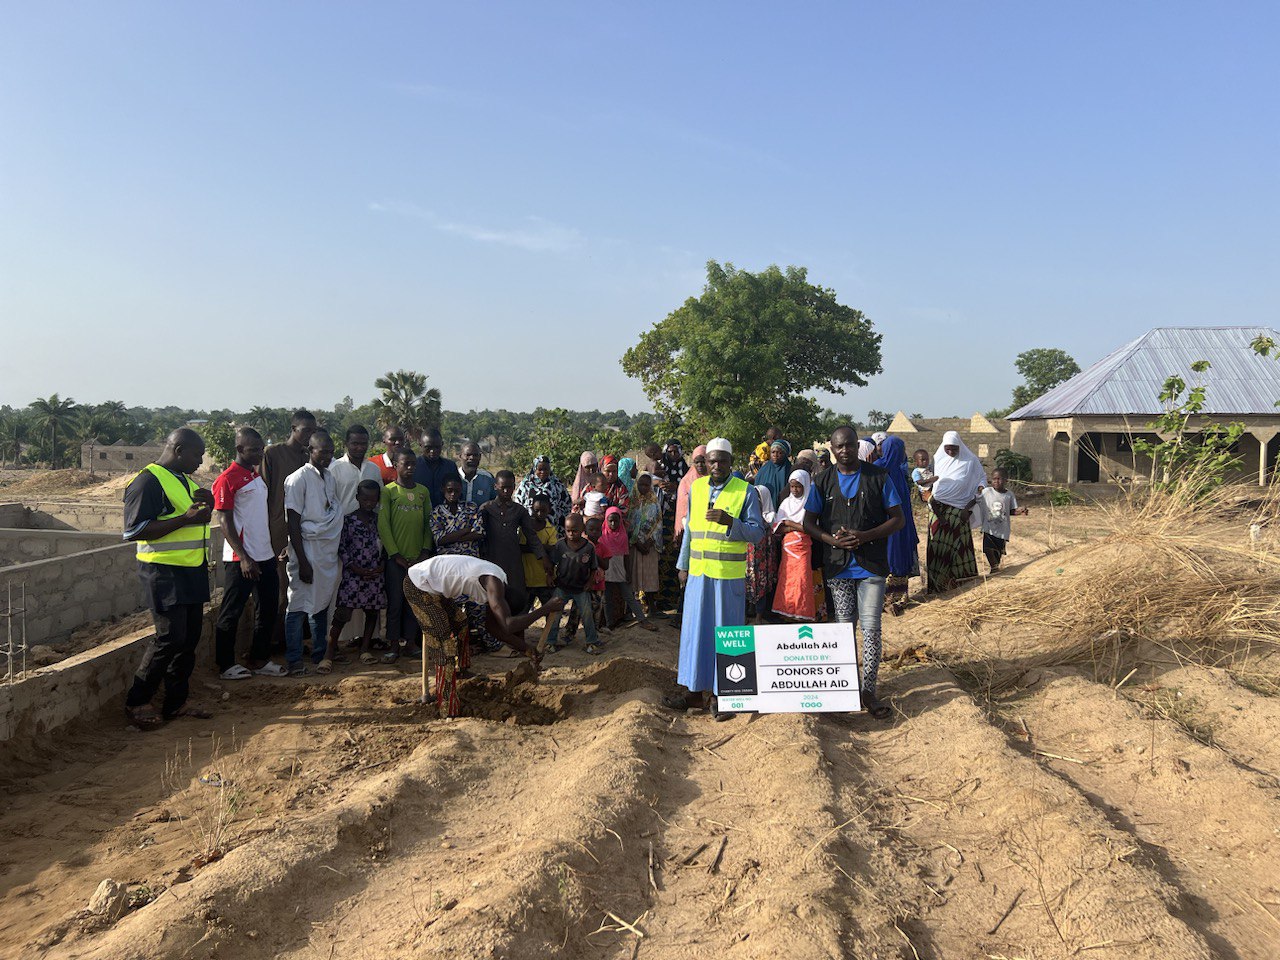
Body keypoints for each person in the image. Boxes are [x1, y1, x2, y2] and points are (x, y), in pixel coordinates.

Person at [802, 426, 906, 720]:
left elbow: (897, 519)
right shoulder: (822, 481)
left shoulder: (878, 477)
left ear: (855, 446)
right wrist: (831, 540)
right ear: (832, 450)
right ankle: (844, 689)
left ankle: (868, 690)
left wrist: (866, 535)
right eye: (839, 447)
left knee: (871, 629)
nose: (844, 450)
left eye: (849, 445)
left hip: (871, 566)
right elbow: (809, 522)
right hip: (837, 567)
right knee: (843, 629)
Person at [665, 438, 767, 718]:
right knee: (695, 634)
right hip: (698, 576)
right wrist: (682, 565)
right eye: (712, 461)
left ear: (731, 462)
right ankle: (693, 693)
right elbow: (691, 530)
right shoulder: (696, 488)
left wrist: (731, 523)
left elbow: (758, 532)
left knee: (728, 636)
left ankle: (725, 697)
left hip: (728, 578)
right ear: (705, 462)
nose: (717, 465)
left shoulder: (744, 491)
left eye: (722, 460)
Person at [122, 428, 214, 728]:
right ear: (178, 450)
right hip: (163, 571)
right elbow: (134, 530)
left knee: (188, 639)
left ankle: (176, 702)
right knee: (169, 638)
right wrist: (185, 519)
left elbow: (193, 519)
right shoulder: (147, 481)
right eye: (197, 455)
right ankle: (137, 701)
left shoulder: (185, 480)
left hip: (191, 569)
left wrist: (205, 509)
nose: (200, 462)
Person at [404, 556, 564, 718]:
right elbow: (508, 625)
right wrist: (546, 608)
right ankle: (447, 706)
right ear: (503, 605)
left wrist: (527, 649)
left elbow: (493, 628)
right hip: (419, 585)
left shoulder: (499, 582)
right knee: (445, 646)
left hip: (435, 586)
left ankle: (461, 671)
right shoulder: (494, 584)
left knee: (460, 623)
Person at [212, 427, 287, 680]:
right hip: (241, 560)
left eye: (260, 449)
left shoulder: (255, 477)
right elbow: (224, 520)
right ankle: (225, 665)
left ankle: (259, 658)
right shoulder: (228, 478)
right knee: (231, 612)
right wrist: (243, 556)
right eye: (253, 450)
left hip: (265, 556)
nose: (258, 454)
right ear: (239, 449)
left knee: (268, 608)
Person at [283, 429, 344, 676]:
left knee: (320, 604)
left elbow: (333, 510)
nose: (328, 456)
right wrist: (304, 561)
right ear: (310, 451)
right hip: (306, 550)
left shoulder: (329, 477)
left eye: (331, 452)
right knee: (297, 605)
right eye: (323, 452)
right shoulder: (297, 479)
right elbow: (293, 522)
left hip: (326, 552)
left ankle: (319, 654)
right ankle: (295, 659)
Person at [261, 410, 316, 645]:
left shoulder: (309, 458)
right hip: (277, 532)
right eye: (306, 431)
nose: (310, 436)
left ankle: (296, 641)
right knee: (281, 591)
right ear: (294, 429)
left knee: (302, 589)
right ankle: (273, 644)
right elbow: (264, 493)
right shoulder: (273, 454)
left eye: (313, 431)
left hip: (304, 532)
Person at [378, 449, 432, 662]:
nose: (409, 468)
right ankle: (393, 645)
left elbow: (429, 523)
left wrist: (425, 551)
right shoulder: (389, 491)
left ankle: (411, 643)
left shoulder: (423, 492)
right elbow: (383, 525)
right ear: (396, 465)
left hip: (418, 559)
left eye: (412, 464)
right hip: (396, 560)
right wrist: (395, 554)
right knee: (395, 603)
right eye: (405, 464)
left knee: (414, 602)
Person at [327, 480, 386, 668]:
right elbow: (342, 547)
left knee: (372, 612)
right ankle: (330, 650)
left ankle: (365, 649)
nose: (369, 503)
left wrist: (381, 565)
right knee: (343, 612)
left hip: (375, 574)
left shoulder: (380, 520)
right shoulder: (348, 520)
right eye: (365, 499)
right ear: (357, 498)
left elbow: (386, 544)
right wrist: (354, 568)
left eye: (373, 499)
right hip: (354, 575)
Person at [430, 477, 492, 652]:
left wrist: (451, 536)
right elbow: (439, 539)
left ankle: (480, 641)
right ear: (443, 489)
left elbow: (479, 533)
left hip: (470, 565)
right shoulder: (437, 511)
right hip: (448, 568)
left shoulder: (471, 507)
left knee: (477, 603)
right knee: (451, 605)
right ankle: (453, 645)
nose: (452, 494)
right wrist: (466, 530)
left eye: (456, 491)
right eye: (449, 490)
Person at [920, 431, 987, 593]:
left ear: (960, 446)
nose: (950, 452)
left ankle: (963, 582)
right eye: (947, 448)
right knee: (938, 545)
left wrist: (979, 490)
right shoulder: (937, 460)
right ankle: (938, 585)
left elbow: (981, 478)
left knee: (960, 545)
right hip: (937, 508)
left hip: (961, 509)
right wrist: (926, 493)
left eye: (954, 448)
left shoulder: (970, 460)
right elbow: (923, 481)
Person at [481, 469, 552, 615]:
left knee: (515, 597)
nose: (506, 491)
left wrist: (543, 556)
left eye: (510, 487)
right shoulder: (487, 509)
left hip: (513, 561)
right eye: (503, 487)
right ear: (496, 487)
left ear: (514, 487)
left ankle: (516, 630)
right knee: (491, 597)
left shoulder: (519, 511)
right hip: (492, 559)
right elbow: (479, 536)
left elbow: (531, 536)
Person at [873, 436, 921, 615]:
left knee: (899, 554)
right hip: (885, 522)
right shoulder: (877, 469)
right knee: (888, 555)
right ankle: (885, 600)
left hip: (901, 523)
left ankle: (898, 599)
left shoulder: (900, 471)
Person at [544, 513, 599, 652]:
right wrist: (549, 576)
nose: (571, 534)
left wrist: (590, 582)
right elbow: (551, 563)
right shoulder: (560, 545)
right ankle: (551, 642)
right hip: (562, 586)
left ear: (582, 529)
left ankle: (591, 642)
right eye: (568, 530)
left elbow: (593, 568)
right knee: (554, 615)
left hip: (581, 588)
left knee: (587, 615)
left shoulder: (588, 548)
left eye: (574, 530)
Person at [598, 505, 657, 632]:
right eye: (610, 520)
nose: (613, 523)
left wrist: (628, 572)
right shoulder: (602, 535)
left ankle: (642, 620)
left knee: (629, 596)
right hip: (606, 571)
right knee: (607, 599)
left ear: (620, 521)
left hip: (620, 570)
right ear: (606, 520)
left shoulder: (623, 536)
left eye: (616, 520)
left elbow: (626, 556)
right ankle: (609, 623)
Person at [772, 470, 817, 621]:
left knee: (802, 579)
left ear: (805, 485)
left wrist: (790, 523)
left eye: (798, 486)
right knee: (787, 579)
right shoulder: (786, 503)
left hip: (803, 546)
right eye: (792, 486)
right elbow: (778, 528)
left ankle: (801, 612)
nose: (795, 490)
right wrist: (793, 527)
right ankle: (786, 611)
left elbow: (810, 528)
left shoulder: (810, 502)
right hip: (788, 546)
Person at [654, 441, 689, 613]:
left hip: (680, 520)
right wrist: (659, 484)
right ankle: (660, 601)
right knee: (662, 561)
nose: (673, 454)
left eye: (676, 451)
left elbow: (689, 488)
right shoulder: (659, 467)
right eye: (670, 451)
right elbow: (648, 481)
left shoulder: (687, 470)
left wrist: (678, 486)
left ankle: (675, 599)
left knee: (677, 558)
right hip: (663, 519)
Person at [978, 468, 1027, 573]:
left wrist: (1020, 511)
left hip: (1002, 529)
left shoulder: (1009, 495)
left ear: (1006, 481)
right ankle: (993, 567)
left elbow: (1011, 511)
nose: (996, 481)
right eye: (994, 479)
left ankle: (995, 567)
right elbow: (975, 501)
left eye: (999, 479)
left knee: (998, 551)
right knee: (987, 548)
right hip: (989, 528)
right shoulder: (987, 492)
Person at [628, 473, 663, 617]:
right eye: (641, 484)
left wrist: (649, 542)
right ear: (636, 484)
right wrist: (637, 542)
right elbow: (628, 524)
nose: (643, 487)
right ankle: (632, 610)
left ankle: (652, 608)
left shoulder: (654, 502)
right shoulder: (631, 502)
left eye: (646, 485)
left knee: (650, 577)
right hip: (635, 545)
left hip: (649, 546)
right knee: (633, 576)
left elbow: (659, 522)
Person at [330, 424, 383, 516]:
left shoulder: (374, 469)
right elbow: (329, 501)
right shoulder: (334, 469)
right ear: (346, 443)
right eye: (355, 444)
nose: (360, 448)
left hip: (370, 525)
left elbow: (380, 498)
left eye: (363, 444)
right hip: (342, 525)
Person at [745, 483, 778, 622]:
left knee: (762, 587)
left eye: (758, 498)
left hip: (763, 563)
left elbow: (771, 546)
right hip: (747, 562)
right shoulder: (747, 517)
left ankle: (759, 617)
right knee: (745, 586)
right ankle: (745, 615)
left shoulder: (769, 519)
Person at [514, 455, 573, 532]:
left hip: (553, 529)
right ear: (535, 469)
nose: (543, 472)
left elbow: (567, 505)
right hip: (529, 529)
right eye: (540, 469)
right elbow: (518, 505)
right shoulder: (525, 485)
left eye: (546, 469)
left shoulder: (557, 485)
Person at [521, 494, 559, 609]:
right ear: (532, 508)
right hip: (526, 579)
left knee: (549, 611)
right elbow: (521, 547)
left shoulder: (550, 530)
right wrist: (543, 548)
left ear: (549, 510)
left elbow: (553, 550)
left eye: (543, 511)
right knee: (523, 612)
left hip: (545, 580)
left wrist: (550, 575)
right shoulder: (524, 528)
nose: (540, 514)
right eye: (536, 510)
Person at [413, 428, 462, 507]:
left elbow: (457, 492)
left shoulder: (450, 466)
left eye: (437, 447)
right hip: (419, 514)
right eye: (428, 447)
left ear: (442, 444)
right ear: (420, 445)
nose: (433, 451)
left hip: (444, 516)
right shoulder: (413, 466)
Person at [754, 440, 792, 512]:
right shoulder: (763, 470)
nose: (775, 455)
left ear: (786, 454)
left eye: (779, 452)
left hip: (784, 511)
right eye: (773, 452)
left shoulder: (790, 471)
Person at [458, 441, 496, 505]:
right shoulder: (453, 477)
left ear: (480, 457)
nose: (472, 458)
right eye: (468, 455)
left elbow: (494, 502)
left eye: (475, 455)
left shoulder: (488, 479)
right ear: (460, 456)